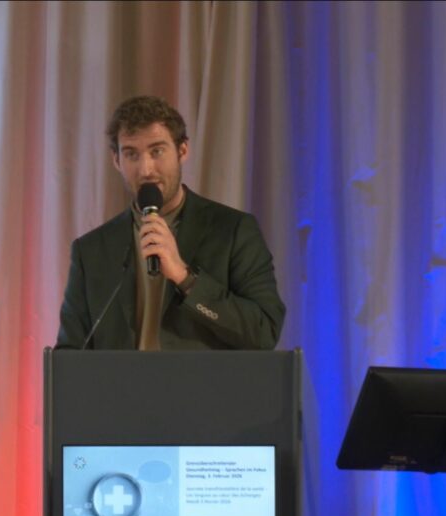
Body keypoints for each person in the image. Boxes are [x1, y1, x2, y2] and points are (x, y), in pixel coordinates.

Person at [56, 95, 285, 350]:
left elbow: (264, 332)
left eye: (157, 151)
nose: (146, 169)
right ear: (116, 160)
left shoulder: (233, 231)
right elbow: (69, 354)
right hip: (120, 379)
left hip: (200, 378)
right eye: (131, 154)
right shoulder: (91, 251)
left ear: (182, 150)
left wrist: (186, 278)